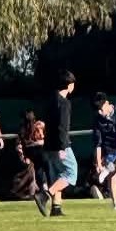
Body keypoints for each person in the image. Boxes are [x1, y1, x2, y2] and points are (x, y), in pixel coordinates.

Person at [35, 71, 77, 218]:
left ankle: (56, 208)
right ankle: (44, 195)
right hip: (60, 145)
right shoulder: (65, 103)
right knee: (72, 173)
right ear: (70, 85)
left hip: (48, 144)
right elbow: (62, 126)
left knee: (58, 175)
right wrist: (63, 147)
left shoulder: (51, 99)